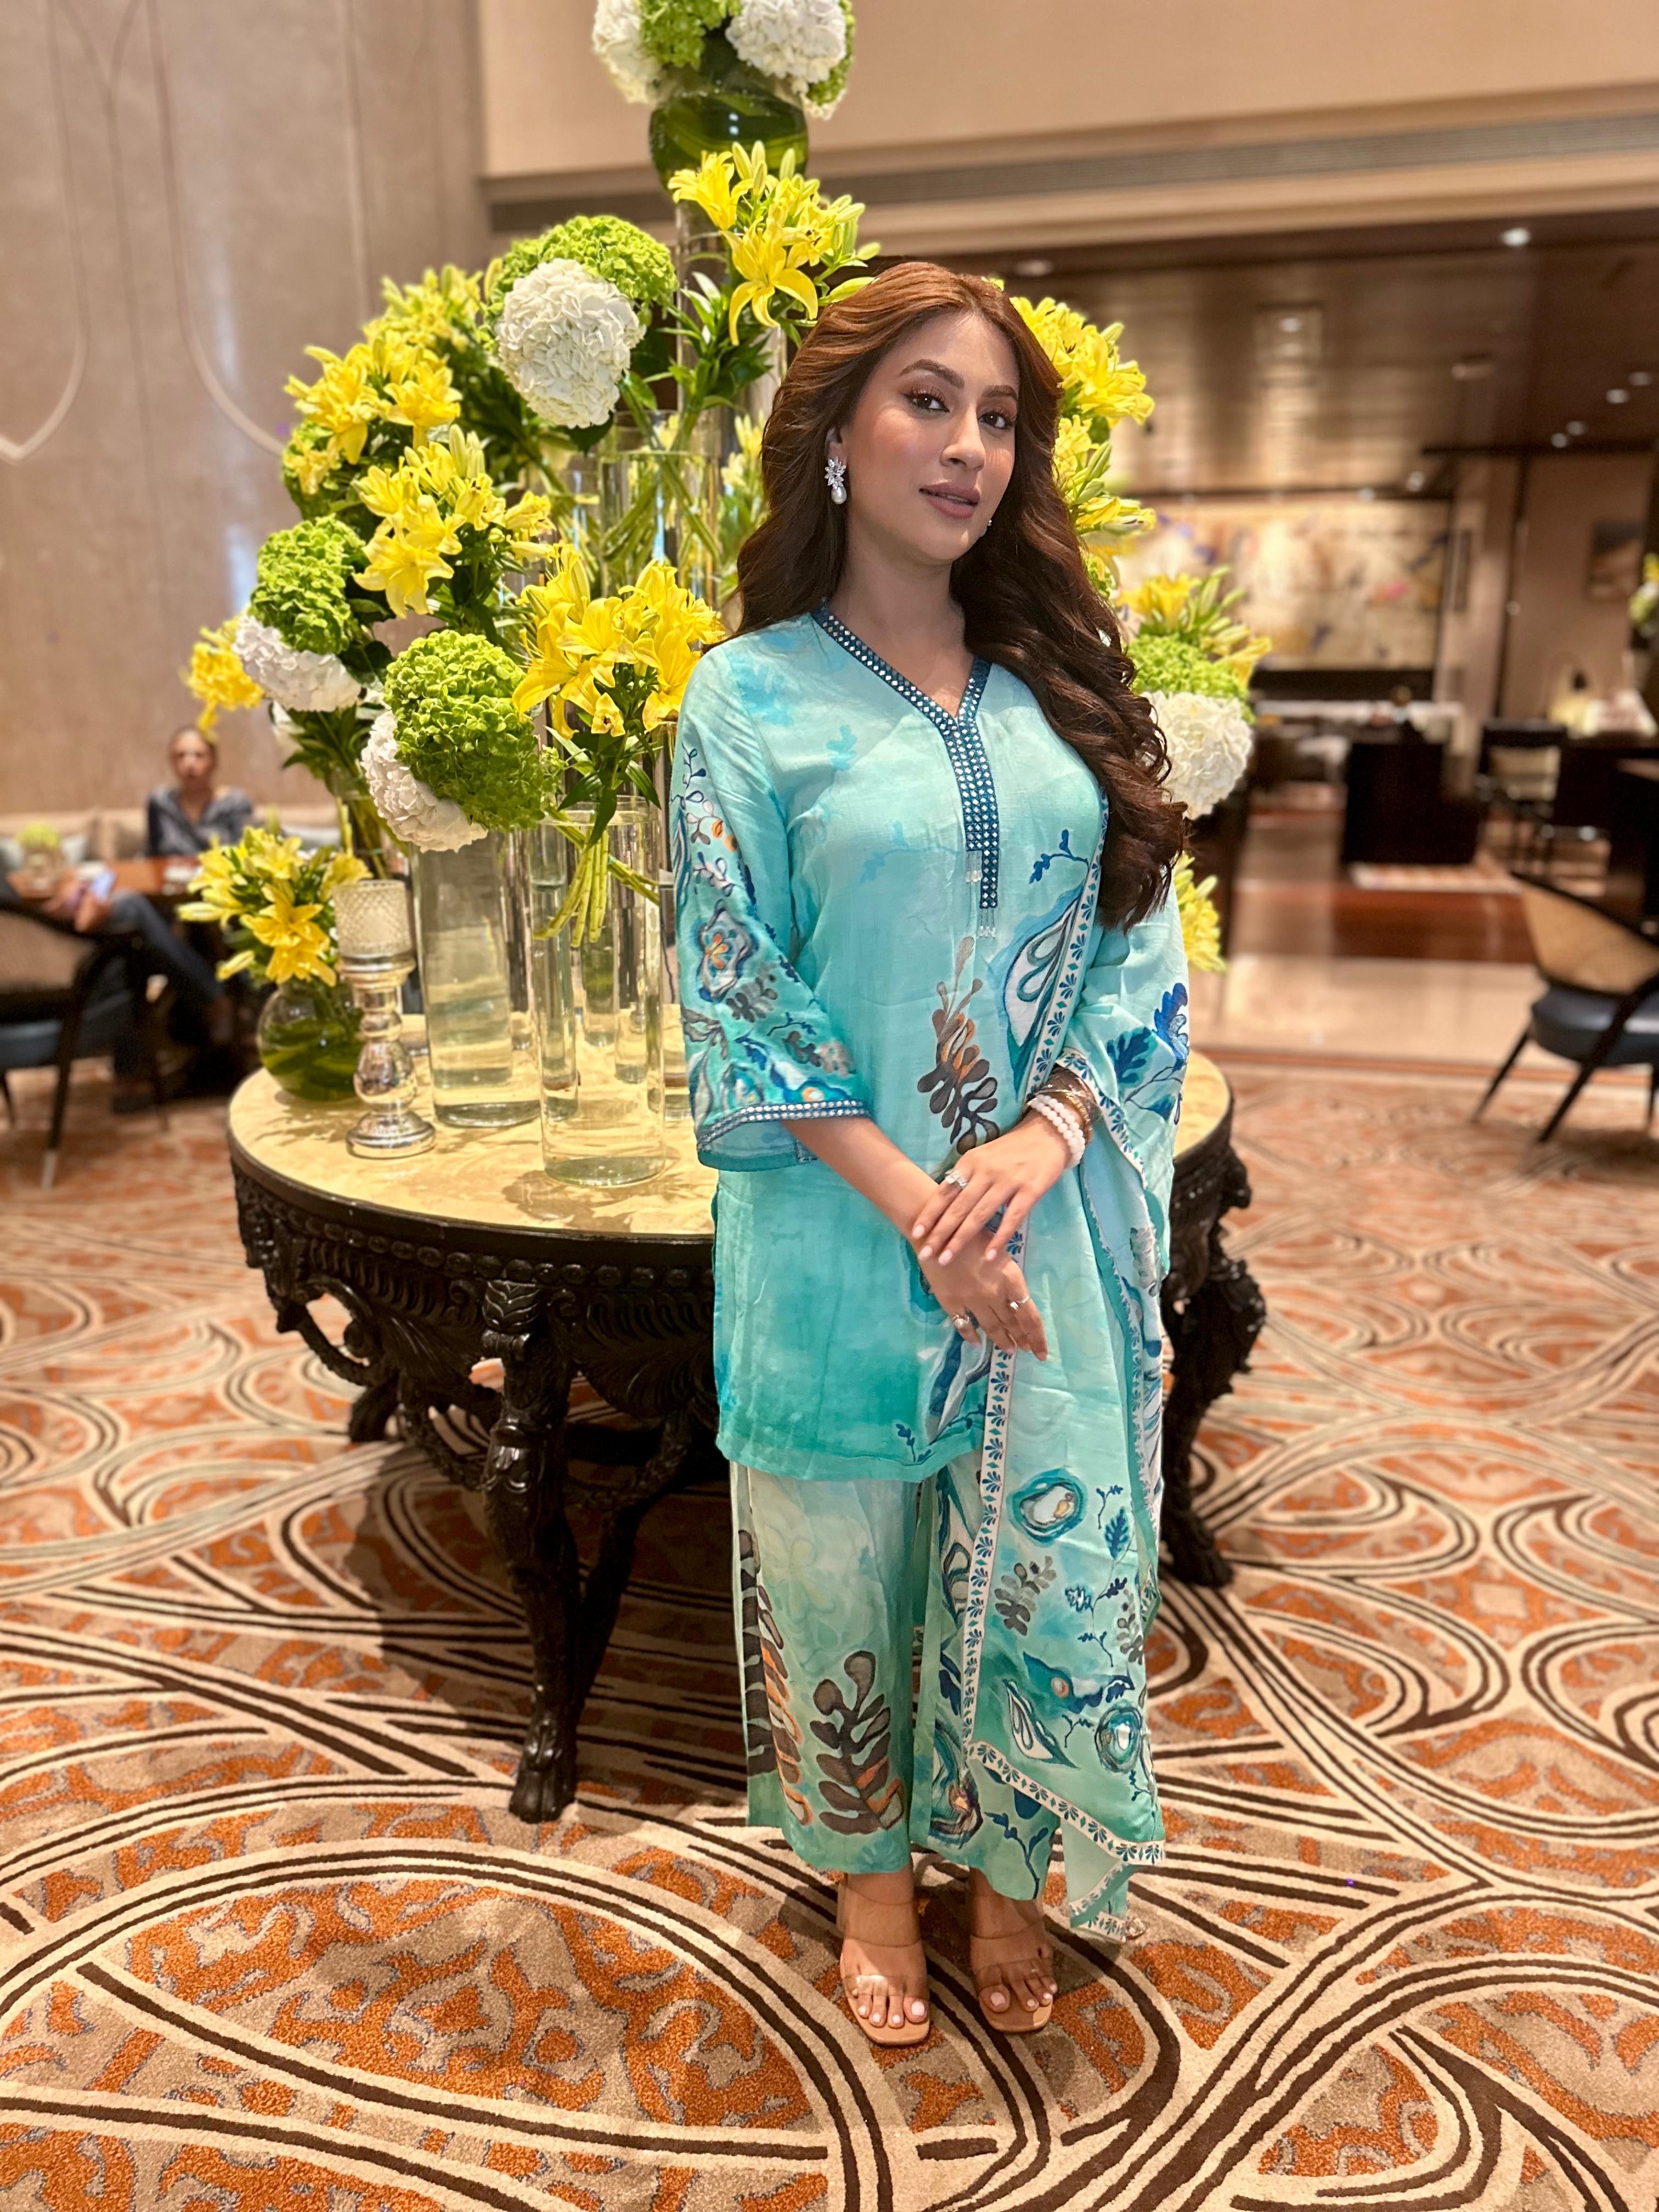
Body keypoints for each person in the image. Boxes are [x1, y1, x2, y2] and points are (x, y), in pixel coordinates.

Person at [670, 265, 1189, 2049]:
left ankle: (1011, 1867)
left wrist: (1047, 1135)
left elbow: (1136, 939)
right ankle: (873, 1883)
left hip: (1043, 1221)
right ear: (834, 434)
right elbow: (740, 983)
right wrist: (921, 1213)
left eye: (999, 418)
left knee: (1038, 1552)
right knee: (839, 1558)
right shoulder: (747, 699)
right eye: (927, 402)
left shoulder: (1060, 685)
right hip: (838, 1225)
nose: (969, 446)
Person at [145, 725, 252, 856]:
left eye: (199, 755)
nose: (189, 763)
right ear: (172, 762)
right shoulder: (161, 802)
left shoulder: (235, 803)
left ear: (214, 762)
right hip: (170, 870)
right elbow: (152, 855)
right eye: (181, 755)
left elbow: (244, 854)